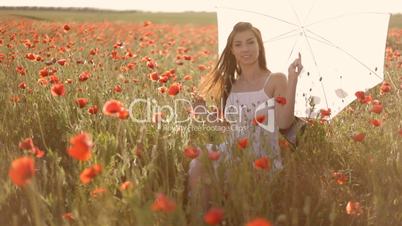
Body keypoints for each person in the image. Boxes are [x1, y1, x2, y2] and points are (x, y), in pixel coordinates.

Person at [187, 21, 303, 213]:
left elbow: (284, 122)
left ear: (259, 45)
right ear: (232, 50)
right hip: (232, 151)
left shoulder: (275, 79)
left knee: (232, 183)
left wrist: (293, 80)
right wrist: (203, 112)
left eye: (250, 42)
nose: (245, 49)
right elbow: (228, 128)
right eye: (238, 44)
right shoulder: (230, 84)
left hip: (261, 156)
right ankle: (200, 219)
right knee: (199, 163)